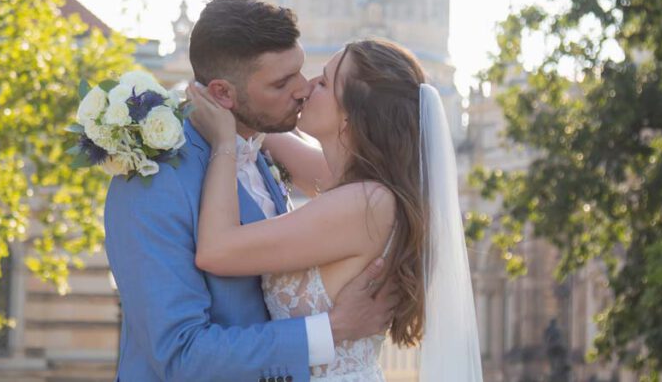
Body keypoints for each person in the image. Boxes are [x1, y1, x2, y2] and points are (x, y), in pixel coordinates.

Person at [103, 0, 396, 382]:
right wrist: (331, 329)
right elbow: (180, 353)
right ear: (223, 94)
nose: (304, 90)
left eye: (301, 71)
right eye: (280, 83)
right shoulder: (155, 177)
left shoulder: (262, 149)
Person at [187, 35, 483, 381]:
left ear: (349, 118)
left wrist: (223, 141)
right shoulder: (359, 187)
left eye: (324, 82)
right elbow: (269, 133)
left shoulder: (365, 203)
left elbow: (216, 250)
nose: (306, 87)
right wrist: (232, 99)